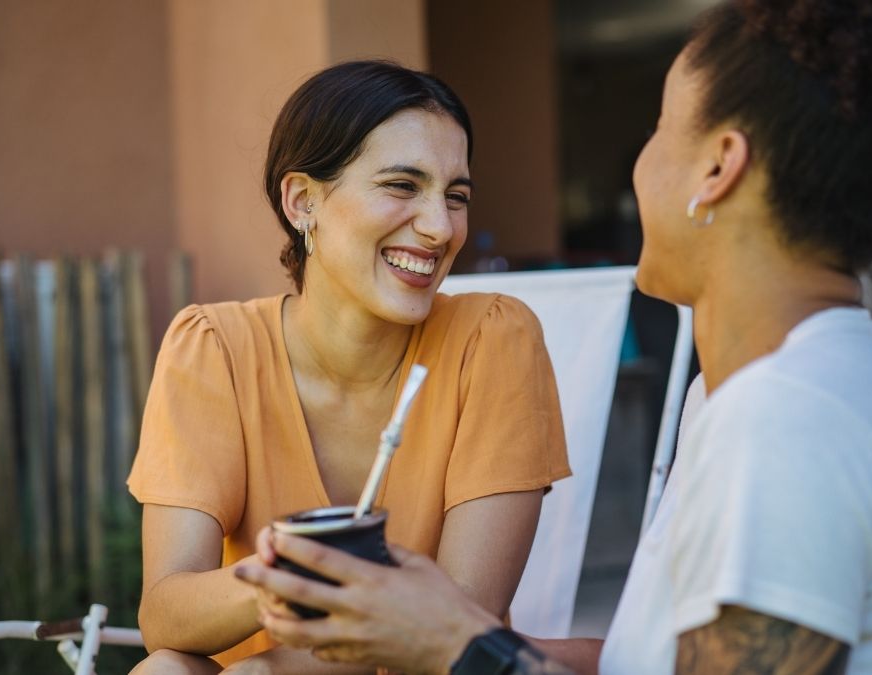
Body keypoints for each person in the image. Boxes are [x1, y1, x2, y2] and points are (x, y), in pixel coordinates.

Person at [235, 1, 872, 673]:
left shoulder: (792, 420)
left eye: (659, 129)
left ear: (718, 168)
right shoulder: (761, 391)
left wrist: (455, 645)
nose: (638, 167)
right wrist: (439, 622)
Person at [127, 60, 571, 673]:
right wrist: (295, 577)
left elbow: (463, 620)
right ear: (303, 200)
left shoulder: (491, 340)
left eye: (456, 196)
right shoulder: (215, 349)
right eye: (401, 185)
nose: (440, 228)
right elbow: (166, 616)